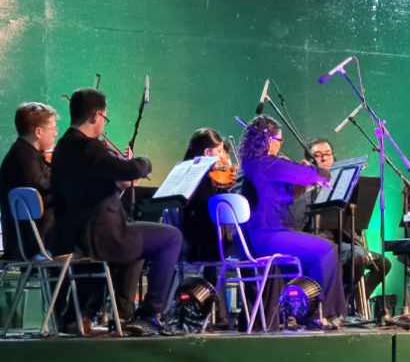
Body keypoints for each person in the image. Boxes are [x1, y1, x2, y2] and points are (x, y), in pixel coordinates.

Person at [51, 88, 182, 335]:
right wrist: (143, 163)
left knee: (140, 244)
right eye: (104, 117)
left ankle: (112, 315)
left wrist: (118, 184)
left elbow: (91, 188)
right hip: (103, 238)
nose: (103, 123)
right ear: (96, 116)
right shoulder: (89, 148)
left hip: (75, 236)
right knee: (171, 237)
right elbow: (132, 169)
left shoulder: (62, 148)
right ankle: (150, 314)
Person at [240, 117, 346, 326]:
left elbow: (284, 197)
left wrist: (300, 181)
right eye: (279, 140)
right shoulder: (268, 164)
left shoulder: (253, 166)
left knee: (313, 255)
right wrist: (314, 173)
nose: (280, 145)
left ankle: (309, 313)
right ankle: (326, 314)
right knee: (327, 250)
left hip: (258, 237)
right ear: (268, 140)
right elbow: (319, 175)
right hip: (269, 236)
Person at [302, 138, 391, 305]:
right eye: (318, 155)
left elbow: (356, 219)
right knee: (357, 256)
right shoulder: (305, 185)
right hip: (322, 243)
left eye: (327, 154)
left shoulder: (344, 183)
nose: (324, 158)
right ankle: (341, 304)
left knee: (383, 264)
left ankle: (354, 301)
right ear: (309, 160)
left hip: (345, 241)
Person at [1, 102, 58, 259]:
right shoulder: (25, 158)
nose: (55, 133)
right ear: (38, 132)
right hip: (33, 243)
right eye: (53, 128)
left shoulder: (22, 153)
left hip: (23, 241)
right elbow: (45, 189)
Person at [179, 128, 237, 262]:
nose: (223, 156)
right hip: (203, 240)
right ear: (207, 153)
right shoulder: (202, 180)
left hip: (201, 236)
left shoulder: (191, 173)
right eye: (220, 151)